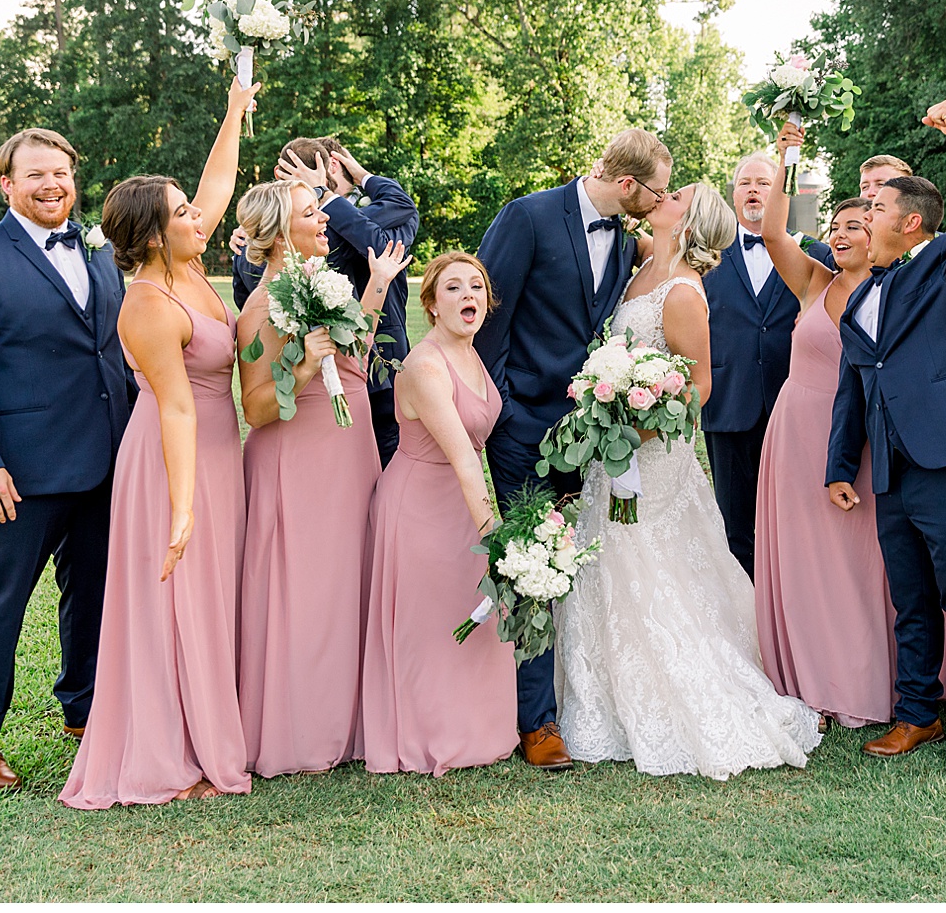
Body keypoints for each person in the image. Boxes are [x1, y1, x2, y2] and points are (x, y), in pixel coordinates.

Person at [555, 181, 822, 780]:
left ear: (688, 217)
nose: (663, 194)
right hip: (611, 448)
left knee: (657, 565)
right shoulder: (643, 260)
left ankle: (686, 694)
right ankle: (601, 693)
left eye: (673, 193)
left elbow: (699, 386)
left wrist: (634, 431)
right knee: (609, 561)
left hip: (651, 456)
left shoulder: (682, 294)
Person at [59, 81, 256, 809]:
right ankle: (170, 751)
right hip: (173, 460)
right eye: (181, 214)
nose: (197, 216)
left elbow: (219, 181)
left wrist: (233, 108)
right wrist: (181, 508)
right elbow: (174, 407)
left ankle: (206, 730)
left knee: (208, 600)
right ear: (150, 235)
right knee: (178, 601)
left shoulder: (192, 266)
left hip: (215, 454)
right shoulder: (147, 301)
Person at [0, 127, 133, 790]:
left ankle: (86, 711)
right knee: (1, 601)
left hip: (106, 460)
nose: (53, 185)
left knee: (94, 596)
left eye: (63, 174)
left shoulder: (103, 252)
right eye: (37, 174)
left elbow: (116, 351)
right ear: (7, 183)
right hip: (20, 473)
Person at [473, 128, 667, 770]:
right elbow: (487, 313)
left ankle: (564, 695)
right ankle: (538, 723)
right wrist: (501, 408)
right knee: (533, 557)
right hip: (523, 421)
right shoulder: (527, 216)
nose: (660, 202)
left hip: (586, 429)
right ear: (628, 185)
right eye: (656, 191)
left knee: (567, 556)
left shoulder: (624, 243)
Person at [826, 100, 946, 777]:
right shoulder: (861, 293)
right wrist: (841, 463)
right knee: (910, 597)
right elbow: (855, 383)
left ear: (909, 222)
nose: (860, 218)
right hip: (892, 467)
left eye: (873, 211)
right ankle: (918, 711)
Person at [234, 178, 409, 777]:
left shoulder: (315, 284)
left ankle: (347, 719)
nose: (325, 223)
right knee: (307, 592)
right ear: (283, 232)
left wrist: (378, 287)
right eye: (312, 214)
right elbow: (256, 407)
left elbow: (350, 349)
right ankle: (302, 730)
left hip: (346, 447)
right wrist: (307, 365)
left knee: (343, 583)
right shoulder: (261, 308)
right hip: (300, 459)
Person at [751, 123, 894, 730]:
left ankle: (856, 683)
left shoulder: (898, 292)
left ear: (879, 235)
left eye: (853, 226)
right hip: (795, 431)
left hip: (856, 441)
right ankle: (803, 681)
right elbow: (773, 229)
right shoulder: (812, 281)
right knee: (802, 561)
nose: (838, 235)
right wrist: (789, 155)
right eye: (834, 227)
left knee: (859, 565)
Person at [361, 253, 519, 776]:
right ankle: (429, 735)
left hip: (458, 502)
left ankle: (479, 728)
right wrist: (498, 541)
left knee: (468, 609)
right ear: (430, 305)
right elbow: (463, 460)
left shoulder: (472, 355)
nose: (468, 295)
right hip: (421, 505)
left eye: (476, 286)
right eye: (452, 288)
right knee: (430, 623)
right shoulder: (427, 366)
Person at [230, 138, 419, 467]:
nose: (323, 219)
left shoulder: (361, 219)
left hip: (376, 385)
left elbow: (401, 208)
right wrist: (255, 236)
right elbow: (250, 299)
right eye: (310, 210)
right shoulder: (301, 237)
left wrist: (348, 182)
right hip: (313, 414)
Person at [701, 150, 835, 578]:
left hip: (793, 402)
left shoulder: (815, 253)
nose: (755, 190)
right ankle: (748, 618)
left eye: (764, 182)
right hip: (728, 401)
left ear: (782, 193)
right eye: (745, 183)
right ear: (733, 194)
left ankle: (790, 609)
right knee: (735, 522)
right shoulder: (705, 253)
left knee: (793, 517)